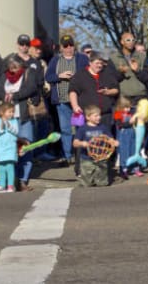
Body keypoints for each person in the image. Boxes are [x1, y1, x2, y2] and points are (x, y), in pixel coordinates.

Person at [0, 57, 40, 191]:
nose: (14, 71)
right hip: (8, 119)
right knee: (9, 150)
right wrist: (4, 96)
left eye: (16, 68)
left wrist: (14, 96)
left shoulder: (29, 73)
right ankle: (10, 180)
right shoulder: (5, 76)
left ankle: (23, 181)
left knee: (26, 148)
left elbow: (31, 88)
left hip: (23, 116)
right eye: (11, 68)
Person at [46, 35, 90, 164]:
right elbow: (48, 77)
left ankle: (81, 155)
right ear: (61, 48)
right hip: (62, 100)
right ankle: (67, 155)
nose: (69, 48)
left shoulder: (82, 58)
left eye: (71, 45)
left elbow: (88, 73)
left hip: (78, 100)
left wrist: (78, 77)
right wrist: (60, 76)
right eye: (65, 46)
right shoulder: (55, 60)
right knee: (65, 129)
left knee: (80, 128)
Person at [68, 51, 120, 132]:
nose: (99, 65)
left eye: (101, 63)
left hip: (105, 115)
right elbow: (72, 91)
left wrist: (108, 92)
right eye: (97, 63)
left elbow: (116, 89)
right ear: (90, 62)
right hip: (88, 116)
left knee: (105, 140)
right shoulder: (80, 75)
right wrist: (75, 106)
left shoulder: (107, 73)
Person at [73, 105, 118, 187]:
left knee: (102, 183)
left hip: (101, 158)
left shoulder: (103, 127)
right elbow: (75, 143)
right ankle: (86, 177)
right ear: (87, 117)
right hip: (87, 159)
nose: (99, 117)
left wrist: (114, 142)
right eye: (96, 116)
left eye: (99, 115)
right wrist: (82, 143)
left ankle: (99, 177)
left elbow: (110, 138)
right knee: (87, 184)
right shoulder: (83, 129)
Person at [111, 32, 148, 104]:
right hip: (122, 99)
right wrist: (121, 73)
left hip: (140, 97)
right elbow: (110, 80)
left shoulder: (142, 57)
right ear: (122, 42)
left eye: (133, 40)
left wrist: (137, 71)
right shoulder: (113, 58)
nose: (131, 42)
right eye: (128, 40)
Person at [0, 102, 18, 193]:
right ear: (2, 112)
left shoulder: (14, 121)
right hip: (1, 148)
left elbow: (16, 132)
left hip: (11, 147)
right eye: (9, 112)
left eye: (13, 112)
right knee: (1, 167)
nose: (12, 114)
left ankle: (10, 186)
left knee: (10, 166)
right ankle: (2, 185)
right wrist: (1, 128)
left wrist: (9, 126)